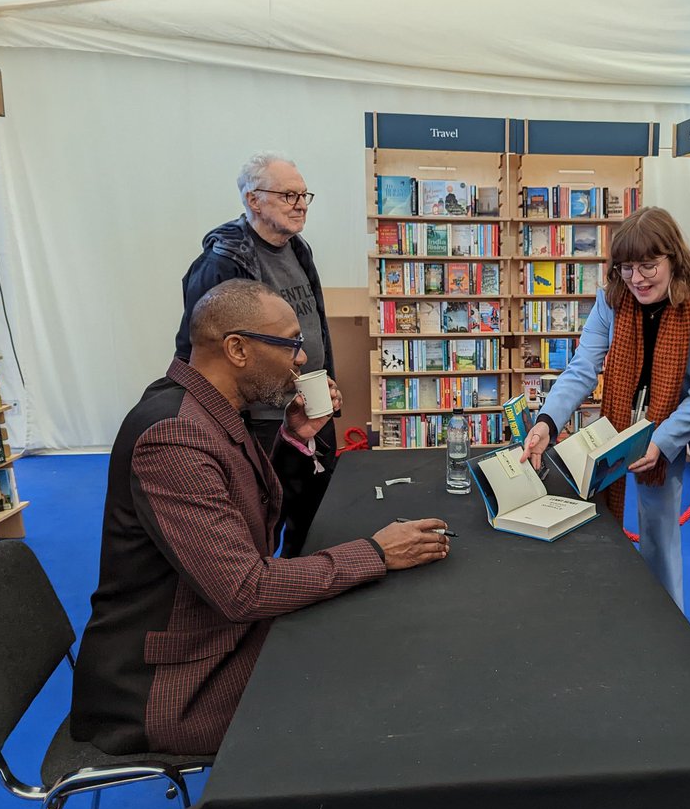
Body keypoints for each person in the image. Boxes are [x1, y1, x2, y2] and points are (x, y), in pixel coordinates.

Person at [73, 280, 449, 755]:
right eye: (290, 343)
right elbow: (244, 589)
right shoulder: (173, 437)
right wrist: (377, 552)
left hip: (214, 634)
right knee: (367, 682)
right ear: (237, 349)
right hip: (172, 682)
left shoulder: (205, 406)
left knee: (360, 633)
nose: (301, 359)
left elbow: (242, 510)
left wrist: (292, 438)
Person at [520, 206, 690, 621]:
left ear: (674, 258)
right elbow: (583, 366)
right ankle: (665, 620)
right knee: (655, 525)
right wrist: (546, 422)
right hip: (649, 419)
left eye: (648, 266)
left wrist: (666, 439)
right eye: (626, 267)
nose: (636, 279)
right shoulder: (612, 298)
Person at [175, 152, 335, 557]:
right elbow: (199, 348)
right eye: (288, 195)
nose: (300, 204)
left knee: (314, 513)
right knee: (260, 523)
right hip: (259, 422)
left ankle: (303, 584)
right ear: (253, 200)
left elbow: (314, 322)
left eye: (303, 195)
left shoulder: (299, 250)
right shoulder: (221, 263)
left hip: (308, 404)